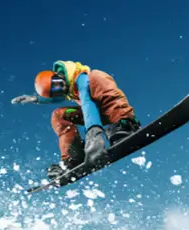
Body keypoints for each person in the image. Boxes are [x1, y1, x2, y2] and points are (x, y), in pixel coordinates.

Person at [10, 60, 141, 179]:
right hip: (96, 114)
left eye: (58, 84)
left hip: (111, 109)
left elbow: (87, 103)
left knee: (96, 77)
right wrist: (36, 99)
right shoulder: (68, 90)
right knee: (59, 114)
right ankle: (73, 157)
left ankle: (126, 123)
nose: (61, 89)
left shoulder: (81, 78)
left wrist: (93, 135)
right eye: (56, 91)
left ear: (60, 75)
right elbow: (59, 98)